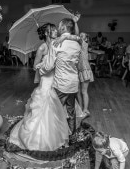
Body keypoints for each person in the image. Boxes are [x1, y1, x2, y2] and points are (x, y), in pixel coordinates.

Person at [9, 22, 79, 151]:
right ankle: (44, 137)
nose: (55, 31)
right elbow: (35, 65)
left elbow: (76, 38)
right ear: (47, 33)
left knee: (58, 108)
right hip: (47, 80)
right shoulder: (42, 48)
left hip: (58, 80)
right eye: (52, 30)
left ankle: (60, 133)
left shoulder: (58, 42)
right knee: (45, 108)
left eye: (55, 29)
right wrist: (43, 64)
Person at [39, 18, 81, 136]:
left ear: (62, 28)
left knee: (54, 110)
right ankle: (71, 135)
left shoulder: (55, 43)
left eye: (59, 26)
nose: (57, 29)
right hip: (73, 83)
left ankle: (55, 136)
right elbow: (78, 37)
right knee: (71, 111)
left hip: (61, 85)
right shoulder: (77, 43)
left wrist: (40, 68)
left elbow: (49, 66)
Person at [77, 32, 94, 116]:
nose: (79, 37)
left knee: (84, 91)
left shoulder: (84, 44)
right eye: (79, 35)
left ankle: (86, 109)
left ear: (86, 39)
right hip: (78, 70)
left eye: (82, 36)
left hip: (85, 69)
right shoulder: (77, 46)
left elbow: (78, 39)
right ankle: (80, 108)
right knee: (78, 91)